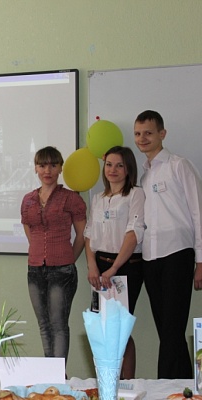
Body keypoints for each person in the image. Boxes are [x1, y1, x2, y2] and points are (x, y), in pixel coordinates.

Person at [133, 110, 202, 378]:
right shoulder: (144, 176)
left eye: (148, 133)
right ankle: (184, 387)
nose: (142, 138)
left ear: (162, 134)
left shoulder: (179, 165)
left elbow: (198, 212)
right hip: (150, 259)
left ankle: (163, 387)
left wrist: (200, 261)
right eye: (138, 134)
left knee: (172, 329)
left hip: (178, 254)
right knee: (167, 331)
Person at [20, 146, 86, 362]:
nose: (47, 170)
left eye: (53, 165)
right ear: (35, 168)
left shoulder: (71, 199)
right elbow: (30, 230)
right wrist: (39, 251)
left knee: (58, 324)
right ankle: (49, 373)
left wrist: (69, 258)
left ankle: (58, 375)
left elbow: (82, 235)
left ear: (60, 168)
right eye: (42, 165)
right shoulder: (28, 200)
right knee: (43, 324)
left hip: (63, 270)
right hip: (35, 270)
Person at [84, 146, 145, 379]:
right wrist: (92, 266)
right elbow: (89, 235)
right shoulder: (98, 198)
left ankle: (127, 384)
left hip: (126, 267)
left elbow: (133, 234)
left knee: (120, 329)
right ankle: (107, 382)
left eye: (120, 165)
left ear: (129, 169)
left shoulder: (135, 194)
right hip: (100, 268)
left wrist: (114, 268)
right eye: (109, 164)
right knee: (102, 328)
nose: (113, 170)